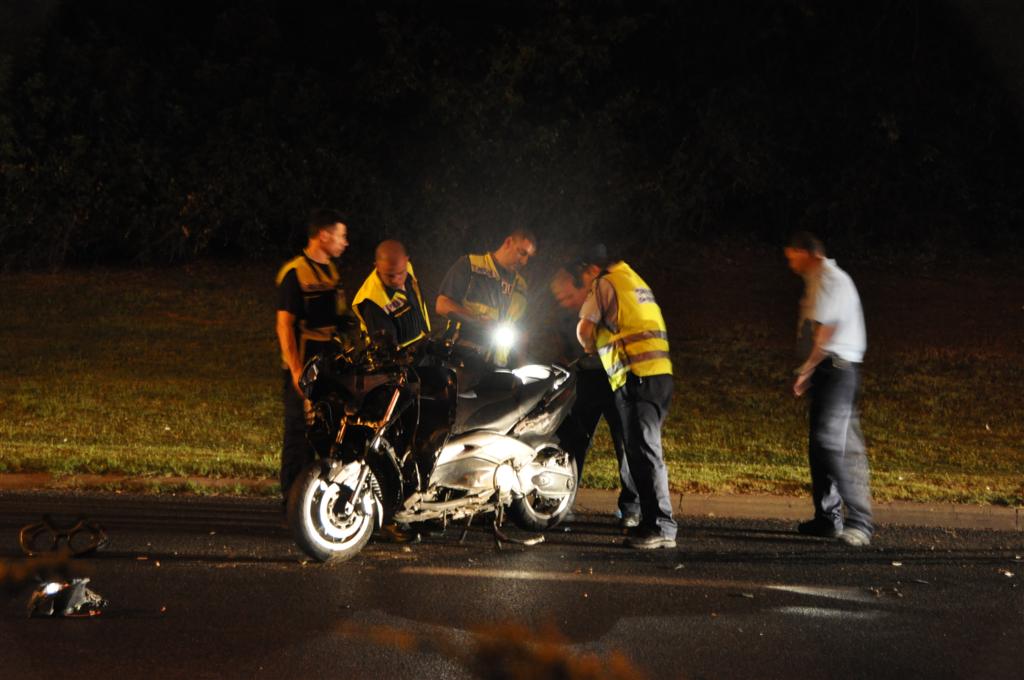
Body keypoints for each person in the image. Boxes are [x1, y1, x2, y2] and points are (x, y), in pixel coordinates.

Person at [576, 250, 676, 549]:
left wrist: (590, 349)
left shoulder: (605, 283)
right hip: (660, 375)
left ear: (591, 268)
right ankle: (653, 522)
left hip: (637, 377)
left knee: (644, 454)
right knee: (644, 452)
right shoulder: (635, 281)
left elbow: (584, 329)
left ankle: (660, 525)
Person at [784, 231, 873, 547]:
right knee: (820, 447)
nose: (790, 263)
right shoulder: (817, 280)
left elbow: (826, 330)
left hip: (837, 370)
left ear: (809, 253)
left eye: (792, 256)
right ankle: (827, 518)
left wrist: (805, 370)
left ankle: (860, 521)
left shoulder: (830, 279)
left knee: (833, 446)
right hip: (827, 371)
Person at [549, 253, 640, 528]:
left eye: (567, 297)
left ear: (582, 283)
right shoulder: (568, 310)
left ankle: (631, 508)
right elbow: (561, 340)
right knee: (573, 440)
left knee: (625, 441)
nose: (564, 303)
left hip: (616, 376)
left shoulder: (607, 292)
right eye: (560, 299)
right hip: (587, 377)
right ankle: (563, 502)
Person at [274, 209, 353, 505]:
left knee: (329, 429)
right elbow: (284, 325)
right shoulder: (295, 273)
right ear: (324, 235)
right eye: (341, 235)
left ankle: (318, 498)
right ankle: (292, 502)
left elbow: (339, 315)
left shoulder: (331, 271)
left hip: (329, 359)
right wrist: (296, 370)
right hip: (305, 361)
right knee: (299, 432)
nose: (345, 242)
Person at [435, 229, 536, 374]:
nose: (524, 261)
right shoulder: (470, 265)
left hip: (498, 366)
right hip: (461, 357)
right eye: (522, 253)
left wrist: (522, 370)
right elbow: (442, 304)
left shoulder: (521, 285)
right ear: (508, 242)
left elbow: (522, 331)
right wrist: (477, 320)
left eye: (529, 257)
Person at [352, 239, 431, 348]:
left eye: (400, 273)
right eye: (390, 275)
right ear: (377, 267)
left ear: (406, 261)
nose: (396, 280)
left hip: (422, 344)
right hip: (402, 360)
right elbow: (387, 351)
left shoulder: (408, 269)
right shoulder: (372, 301)